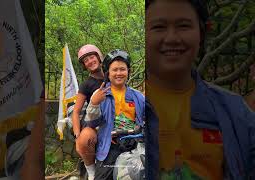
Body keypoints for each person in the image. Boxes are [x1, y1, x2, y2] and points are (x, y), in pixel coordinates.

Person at [145, 0, 255, 179]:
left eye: (183, 26)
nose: (172, 38)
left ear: (202, 33)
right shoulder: (127, 104)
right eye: (159, 27)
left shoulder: (235, 111)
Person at [85, 49, 145, 179]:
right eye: (115, 70)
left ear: (129, 71)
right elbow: (91, 122)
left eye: (122, 69)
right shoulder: (100, 94)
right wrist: (94, 104)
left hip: (135, 144)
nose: (119, 73)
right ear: (108, 73)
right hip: (110, 146)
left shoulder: (138, 96)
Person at [72, 44, 105, 180]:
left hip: (114, 119)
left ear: (98, 57)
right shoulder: (86, 84)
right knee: (84, 140)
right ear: (84, 65)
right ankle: (91, 171)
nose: (90, 61)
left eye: (92, 57)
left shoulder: (113, 75)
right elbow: (76, 111)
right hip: (94, 122)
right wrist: (77, 135)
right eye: (86, 60)